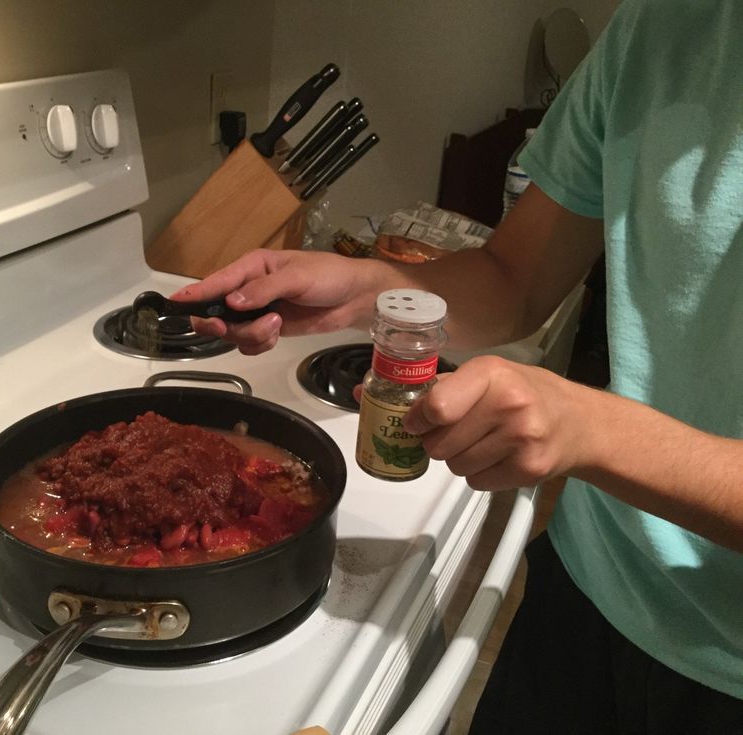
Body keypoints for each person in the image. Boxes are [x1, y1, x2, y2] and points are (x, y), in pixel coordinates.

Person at [171, 0, 743, 731]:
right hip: (596, 586)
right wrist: (369, 289)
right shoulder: (658, 28)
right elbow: (515, 279)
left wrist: (590, 427)